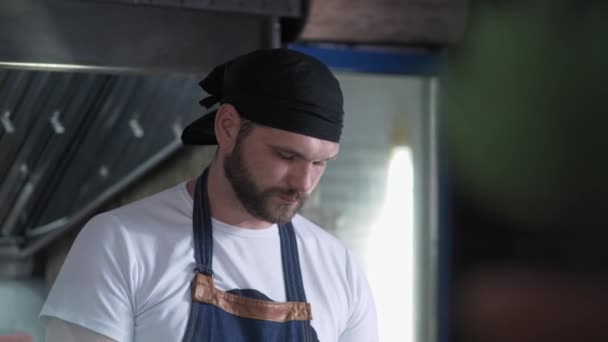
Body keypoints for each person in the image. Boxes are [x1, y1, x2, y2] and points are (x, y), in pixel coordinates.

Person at [40, 48, 378, 342]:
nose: (303, 183)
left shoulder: (339, 267)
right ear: (228, 127)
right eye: (286, 156)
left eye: (320, 162)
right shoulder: (121, 243)